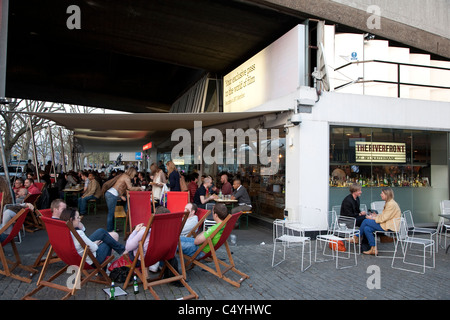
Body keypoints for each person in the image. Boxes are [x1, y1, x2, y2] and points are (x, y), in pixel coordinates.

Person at [60, 207, 126, 265]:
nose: (79, 220)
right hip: (90, 259)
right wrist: (94, 244)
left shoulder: (63, 231)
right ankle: (102, 272)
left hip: (76, 256)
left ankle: (123, 250)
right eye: (77, 218)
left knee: (101, 232)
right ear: (71, 220)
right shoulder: (78, 233)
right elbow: (94, 248)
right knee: (107, 242)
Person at [354, 187, 401, 255]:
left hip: (389, 226)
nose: (380, 194)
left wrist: (372, 218)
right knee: (366, 228)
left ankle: (356, 237)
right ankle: (373, 248)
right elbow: (385, 216)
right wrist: (376, 216)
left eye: (382, 193)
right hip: (386, 224)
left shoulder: (391, 204)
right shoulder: (389, 203)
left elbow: (383, 218)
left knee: (366, 221)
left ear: (387, 194)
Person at [125, 206, 170, 272]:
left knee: (131, 247)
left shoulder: (145, 232)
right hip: (161, 256)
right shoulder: (170, 232)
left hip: (143, 260)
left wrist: (136, 231)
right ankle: (153, 266)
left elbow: (128, 247)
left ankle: (146, 268)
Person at [102, 167, 142, 232]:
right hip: (112, 195)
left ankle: (113, 228)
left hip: (110, 194)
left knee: (111, 213)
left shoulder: (124, 175)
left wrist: (121, 195)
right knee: (111, 213)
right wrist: (139, 188)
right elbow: (130, 188)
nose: (134, 175)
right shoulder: (127, 177)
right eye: (134, 174)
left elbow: (121, 187)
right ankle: (110, 230)